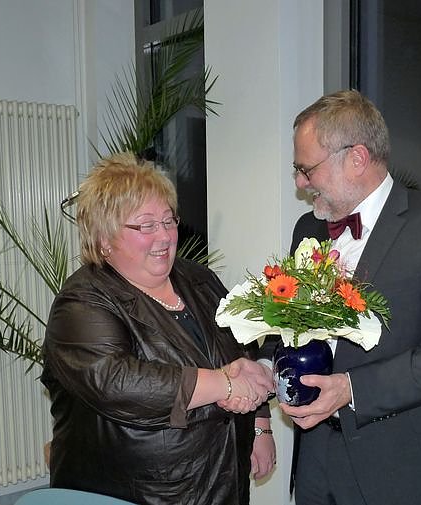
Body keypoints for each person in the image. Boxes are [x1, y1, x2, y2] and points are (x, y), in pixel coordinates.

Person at [276, 90, 421, 504]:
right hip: (317, 466)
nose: (301, 183)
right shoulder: (308, 228)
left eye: (307, 169)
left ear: (357, 158)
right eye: (298, 170)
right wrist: (263, 367)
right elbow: (290, 323)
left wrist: (352, 389)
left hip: (410, 472)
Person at [41, 152, 276, 505]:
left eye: (168, 220)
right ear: (104, 239)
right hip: (137, 491)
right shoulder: (81, 302)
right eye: (146, 225)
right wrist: (223, 384)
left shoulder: (200, 280)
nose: (165, 235)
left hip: (221, 479)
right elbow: (117, 381)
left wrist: (259, 424)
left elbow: (242, 348)